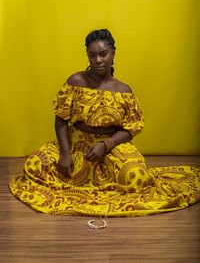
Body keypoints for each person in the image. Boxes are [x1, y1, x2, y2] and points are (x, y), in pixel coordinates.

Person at [9, 29, 200, 217]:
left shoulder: (124, 90)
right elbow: (61, 118)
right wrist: (65, 153)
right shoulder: (76, 81)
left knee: (139, 178)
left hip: (110, 147)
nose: (97, 60)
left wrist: (105, 145)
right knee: (34, 165)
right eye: (92, 55)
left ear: (113, 53)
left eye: (103, 54)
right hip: (77, 145)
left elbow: (131, 129)